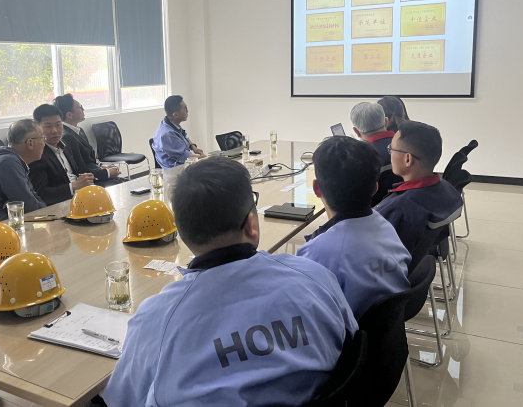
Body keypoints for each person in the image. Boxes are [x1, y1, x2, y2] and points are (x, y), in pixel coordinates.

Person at [102, 157, 357, 407]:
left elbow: (120, 400)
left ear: (181, 233)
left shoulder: (156, 319)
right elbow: (354, 348)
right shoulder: (316, 278)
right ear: (251, 224)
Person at [296, 136, 410, 319]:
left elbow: (303, 311)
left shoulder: (316, 254)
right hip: (388, 330)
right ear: (375, 188)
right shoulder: (387, 227)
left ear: (317, 189)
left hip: (347, 334)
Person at [375, 120, 463, 253]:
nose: (390, 154)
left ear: (408, 159)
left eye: (391, 149)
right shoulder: (446, 188)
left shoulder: (400, 209)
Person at [28, 104, 96, 206]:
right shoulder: (37, 155)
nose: (54, 131)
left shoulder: (66, 145)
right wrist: (74, 186)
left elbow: (76, 172)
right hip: (61, 205)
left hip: (80, 196)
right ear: (37, 128)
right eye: (48, 126)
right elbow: (42, 194)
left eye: (58, 125)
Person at [52, 93, 121, 182]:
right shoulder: (68, 137)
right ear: (69, 115)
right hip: (89, 180)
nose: (83, 110)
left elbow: (86, 160)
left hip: (94, 173)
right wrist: (107, 173)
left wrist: (101, 166)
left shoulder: (77, 131)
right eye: (80, 108)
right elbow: (81, 170)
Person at [350, 101, 403, 205]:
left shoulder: (358, 158)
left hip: (375, 211)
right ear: (386, 122)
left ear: (356, 132)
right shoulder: (408, 147)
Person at [151, 95, 205, 168]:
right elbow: (183, 156)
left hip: (183, 162)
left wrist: (192, 146)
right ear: (175, 115)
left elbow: (184, 134)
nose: (187, 111)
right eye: (185, 109)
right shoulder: (167, 134)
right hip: (174, 169)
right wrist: (203, 158)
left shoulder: (169, 123)